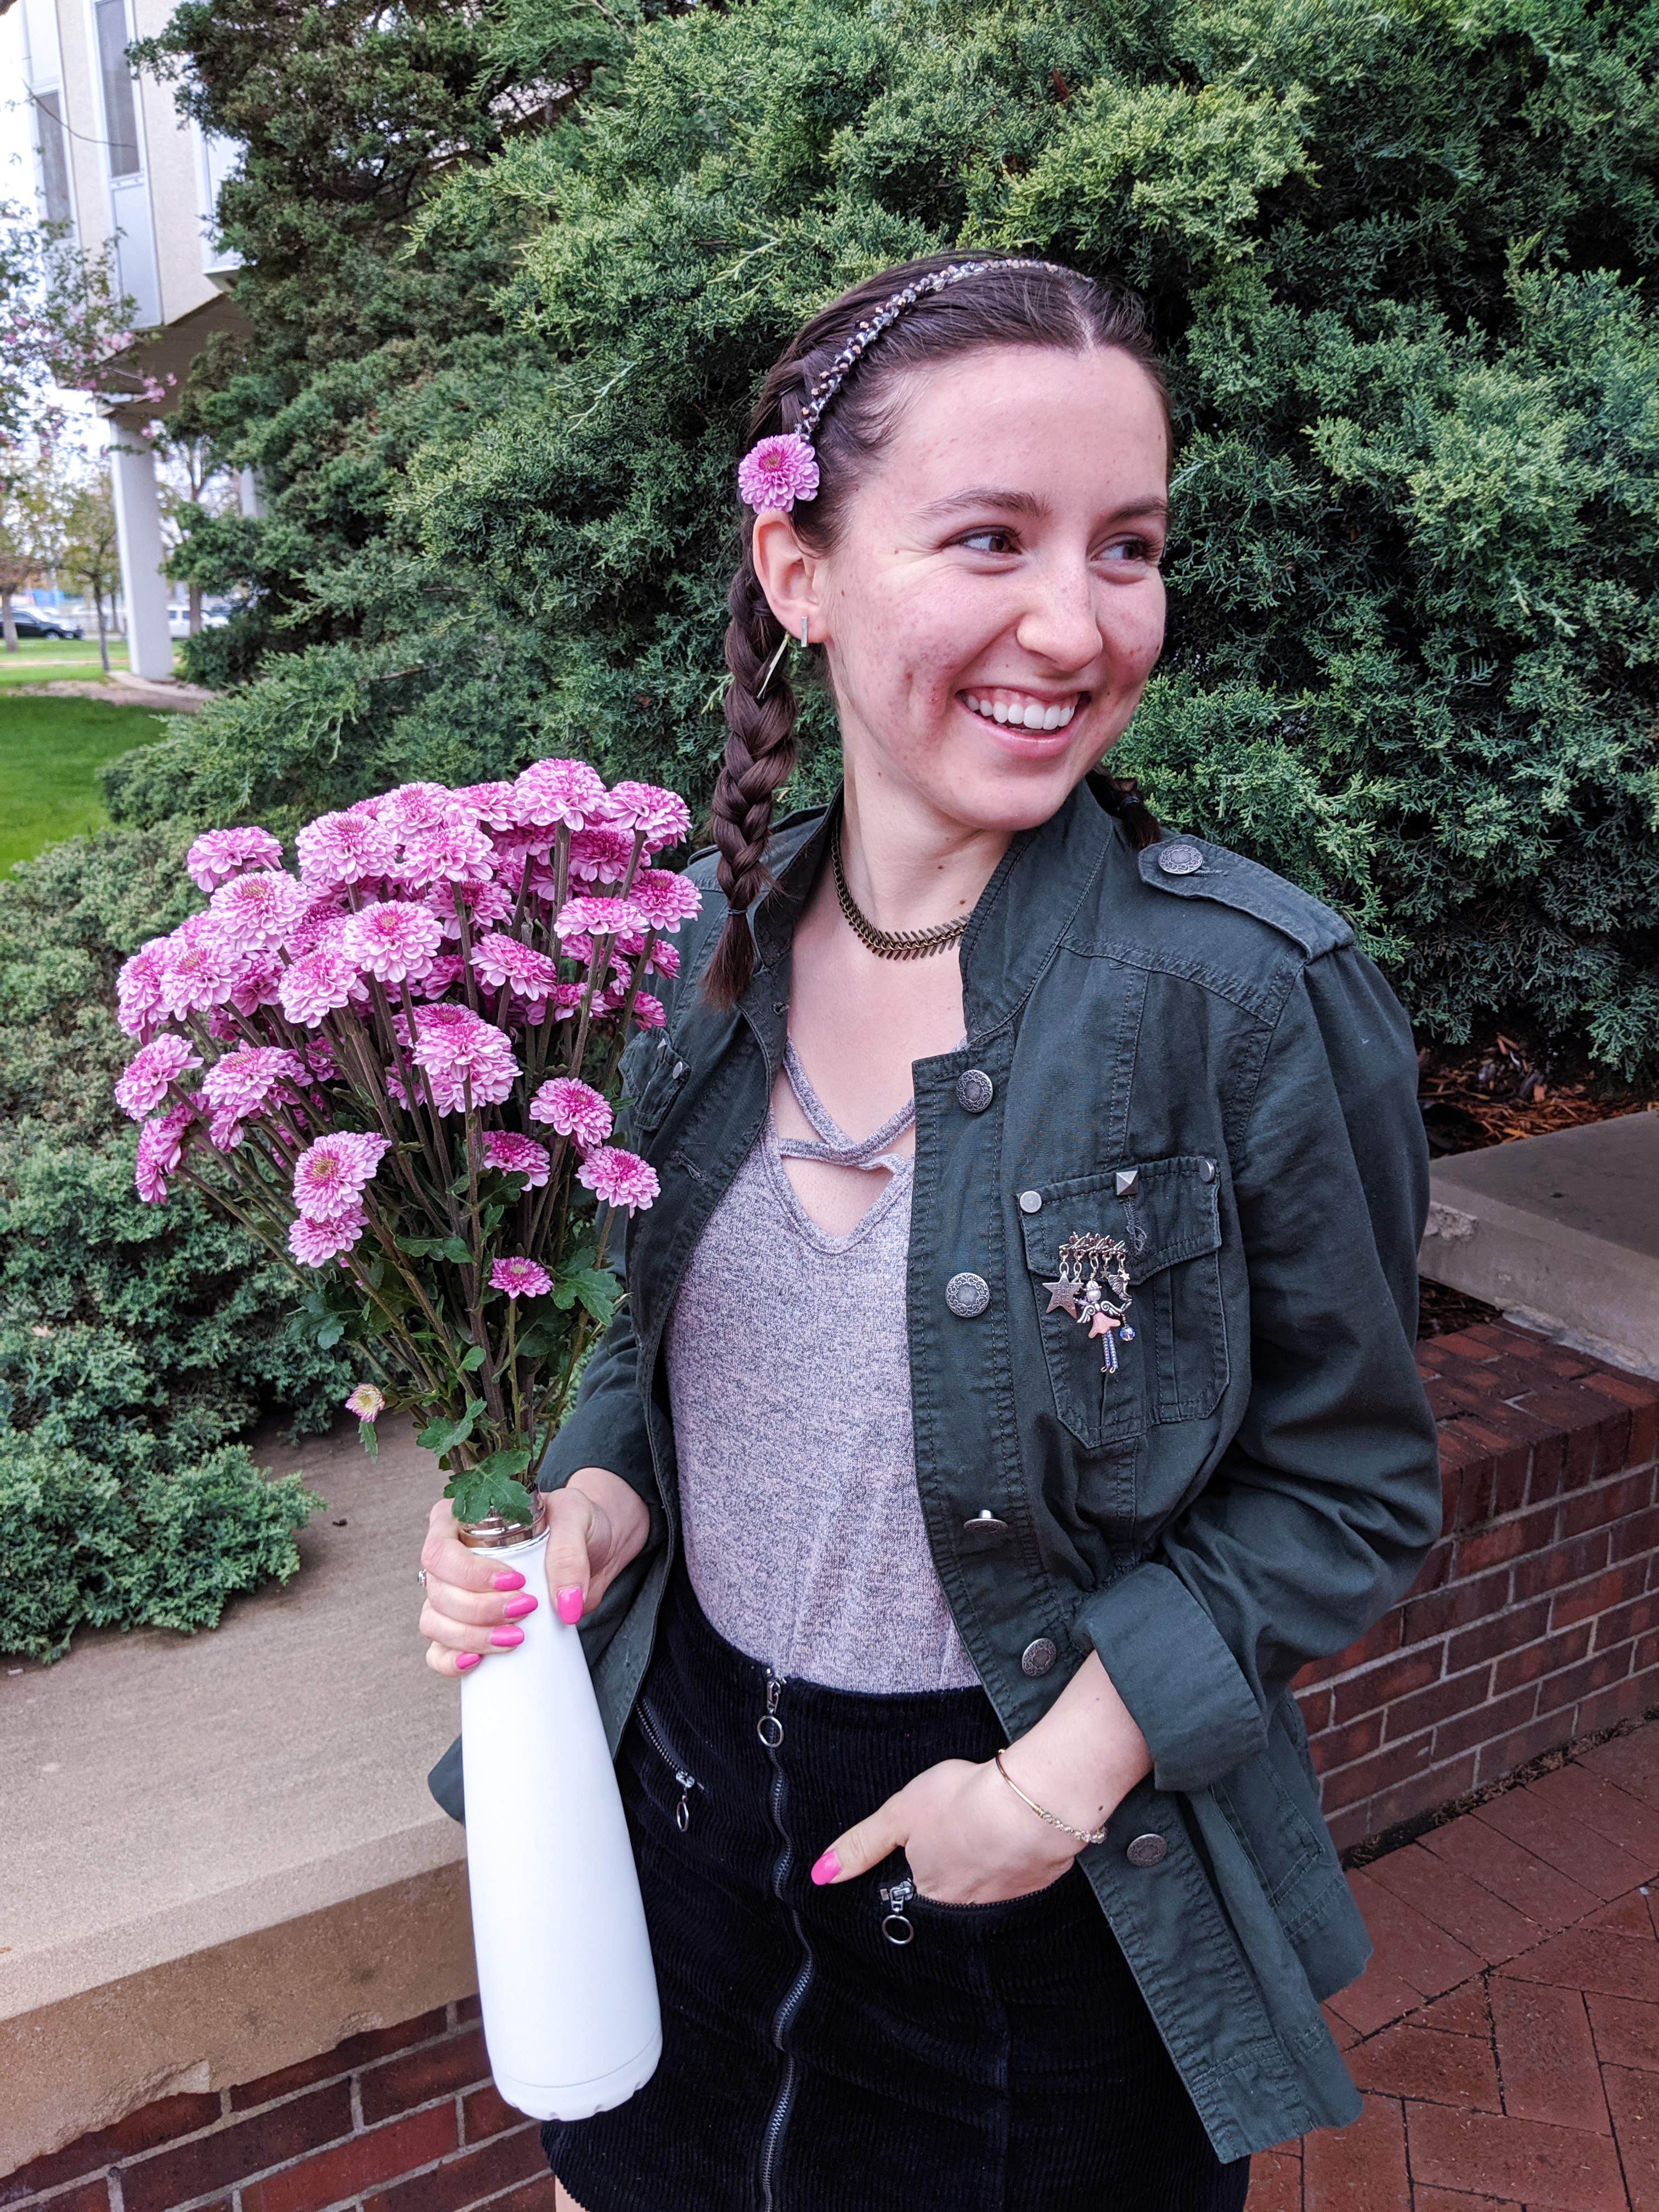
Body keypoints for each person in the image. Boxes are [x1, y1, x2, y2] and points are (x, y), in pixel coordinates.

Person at [417, 253, 1442, 2212]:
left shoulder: (1240, 1000)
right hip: (680, 1806)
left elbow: (1350, 1486)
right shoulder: (682, 966)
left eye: (1126, 545)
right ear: (798, 569)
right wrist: (590, 1503)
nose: (1076, 622)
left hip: (1030, 1874)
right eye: (991, 537)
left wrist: (1044, 1793)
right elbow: (646, 1343)